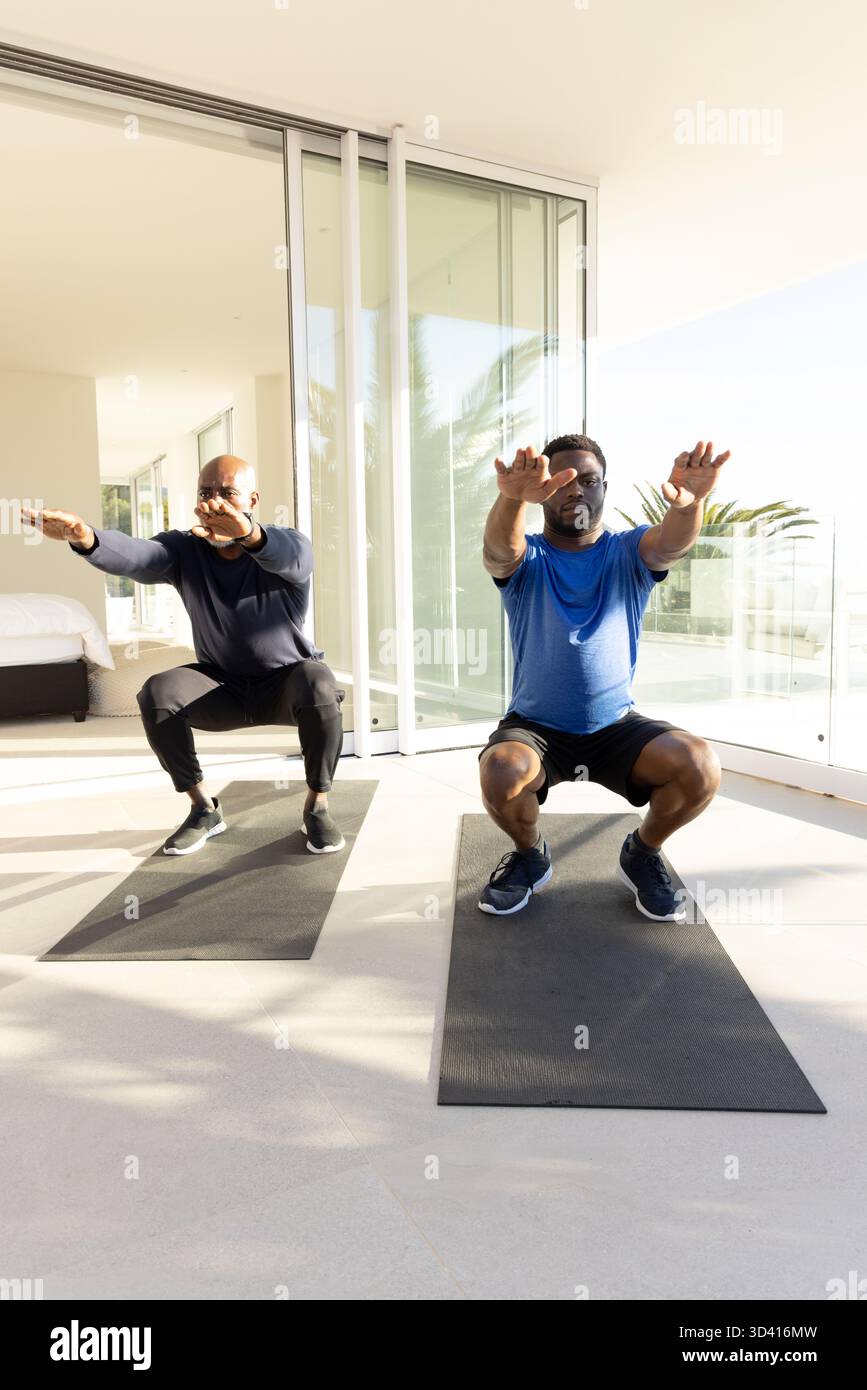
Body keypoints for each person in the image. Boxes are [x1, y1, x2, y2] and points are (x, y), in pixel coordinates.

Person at [21, 455, 346, 856]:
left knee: (319, 682)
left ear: (252, 499)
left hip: (285, 686)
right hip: (221, 686)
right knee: (157, 693)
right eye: (206, 493)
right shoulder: (185, 550)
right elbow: (138, 556)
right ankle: (204, 809)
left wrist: (247, 534)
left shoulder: (286, 543)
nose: (215, 504)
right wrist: (85, 536)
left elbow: (296, 560)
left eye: (228, 493)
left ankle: (317, 806)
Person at [477, 434, 731, 921]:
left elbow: (671, 542)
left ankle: (642, 852)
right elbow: (498, 552)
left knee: (700, 766)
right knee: (501, 771)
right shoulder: (529, 558)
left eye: (588, 481)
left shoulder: (627, 552)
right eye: (564, 482)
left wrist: (692, 503)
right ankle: (531, 857)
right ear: (545, 490)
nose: (576, 491)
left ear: (603, 489)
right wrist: (510, 498)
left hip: (616, 727)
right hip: (537, 727)